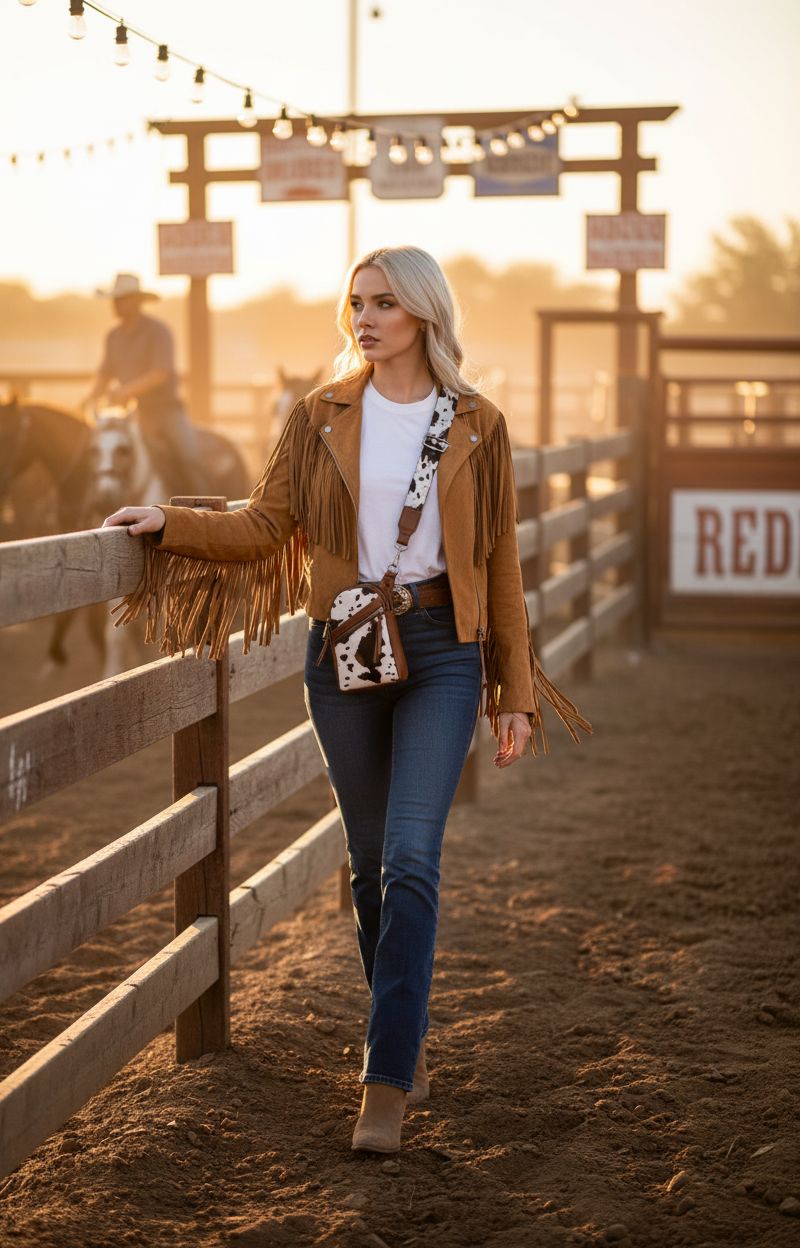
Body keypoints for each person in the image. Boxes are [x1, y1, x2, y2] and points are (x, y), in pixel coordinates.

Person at [103, 245, 589, 1154]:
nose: (364, 318)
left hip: (445, 651)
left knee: (410, 857)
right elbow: (261, 526)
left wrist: (514, 690)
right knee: (367, 867)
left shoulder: (478, 423)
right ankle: (402, 1030)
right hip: (347, 655)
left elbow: (502, 564)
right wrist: (170, 521)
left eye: (384, 304)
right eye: (356, 303)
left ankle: (386, 1080)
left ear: (424, 315)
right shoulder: (318, 417)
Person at [83, 272, 205, 493]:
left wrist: (127, 391)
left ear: (137, 301)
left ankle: (204, 507)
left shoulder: (158, 332)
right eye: (115, 299)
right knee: (96, 453)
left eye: (121, 299)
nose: (116, 304)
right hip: (129, 416)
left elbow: (161, 372)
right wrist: (87, 399)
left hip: (165, 411)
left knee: (188, 456)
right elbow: (104, 374)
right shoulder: (114, 336)